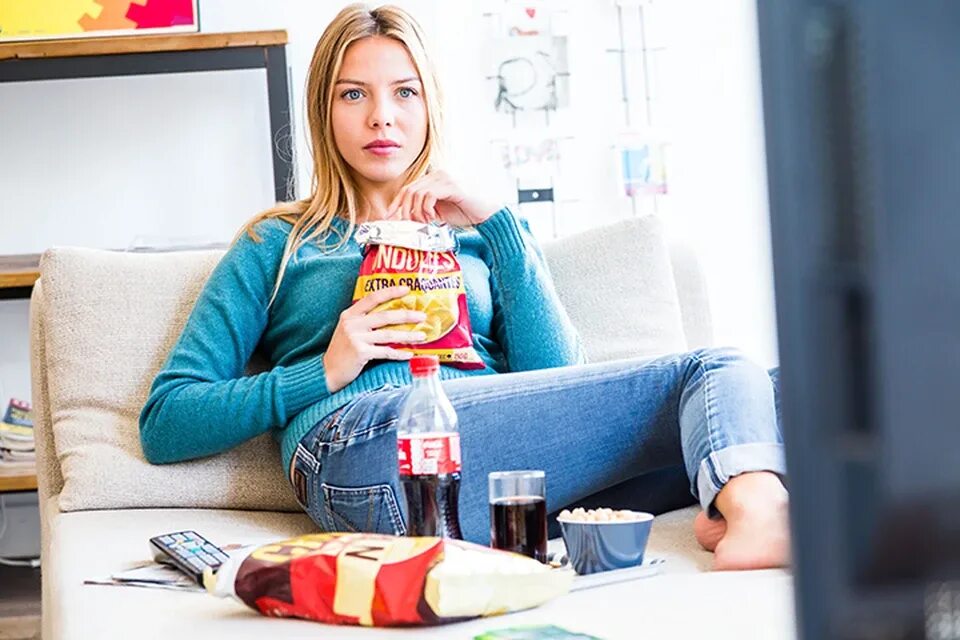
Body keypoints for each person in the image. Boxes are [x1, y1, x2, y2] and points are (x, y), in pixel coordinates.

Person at [139, 3, 790, 571]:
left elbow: (555, 380)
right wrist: (324, 370)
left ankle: (732, 498)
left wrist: (501, 227)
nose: (381, 118)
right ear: (323, 108)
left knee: (779, 390)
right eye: (353, 94)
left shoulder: (479, 236)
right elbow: (167, 422)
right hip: (370, 453)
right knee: (717, 369)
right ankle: (755, 510)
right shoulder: (278, 243)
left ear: (430, 105)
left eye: (405, 92)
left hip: (501, 478)